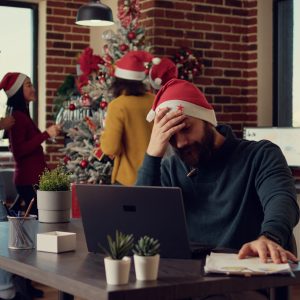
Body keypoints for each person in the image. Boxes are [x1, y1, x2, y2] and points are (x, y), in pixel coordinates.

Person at [137, 78, 299, 262]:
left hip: (246, 272)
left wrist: (269, 237)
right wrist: (152, 154)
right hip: (187, 278)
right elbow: (141, 223)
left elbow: (281, 200)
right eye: (171, 137)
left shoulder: (260, 155)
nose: (181, 142)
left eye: (187, 128)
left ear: (207, 120)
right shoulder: (170, 169)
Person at [0, 72, 61, 216]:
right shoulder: (17, 117)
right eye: (28, 85)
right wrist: (46, 134)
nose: (33, 89)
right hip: (29, 180)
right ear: (18, 91)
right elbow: (19, 151)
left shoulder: (22, 115)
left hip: (32, 178)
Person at [100, 51, 155, 185]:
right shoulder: (154, 101)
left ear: (117, 81)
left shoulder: (118, 105)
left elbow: (110, 148)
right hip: (157, 175)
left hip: (128, 178)